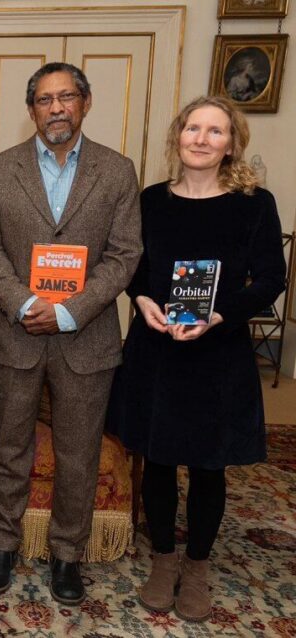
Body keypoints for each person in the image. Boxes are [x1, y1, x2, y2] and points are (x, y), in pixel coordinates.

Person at [106, 95, 286, 622]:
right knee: (158, 458)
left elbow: (271, 280)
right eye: (193, 128)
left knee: (209, 465)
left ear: (232, 143)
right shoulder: (151, 200)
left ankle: (198, 566)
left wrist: (217, 316)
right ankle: (164, 560)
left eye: (215, 131)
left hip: (217, 352)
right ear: (178, 135)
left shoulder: (254, 203)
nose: (202, 139)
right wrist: (140, 300)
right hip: (157, 346)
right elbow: (133, 267)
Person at [0, 62, 142, 605]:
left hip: (85, 339)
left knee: (79, 454)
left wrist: (69, 310)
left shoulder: (117, 172)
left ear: (86, 103)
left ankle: (67, 556)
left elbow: (124, 256)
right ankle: (3, 546)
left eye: (67, 97)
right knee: (11, 449)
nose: (57, 108)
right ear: (31, 110)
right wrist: (25, 302)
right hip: (15, 335)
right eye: (45, 100)